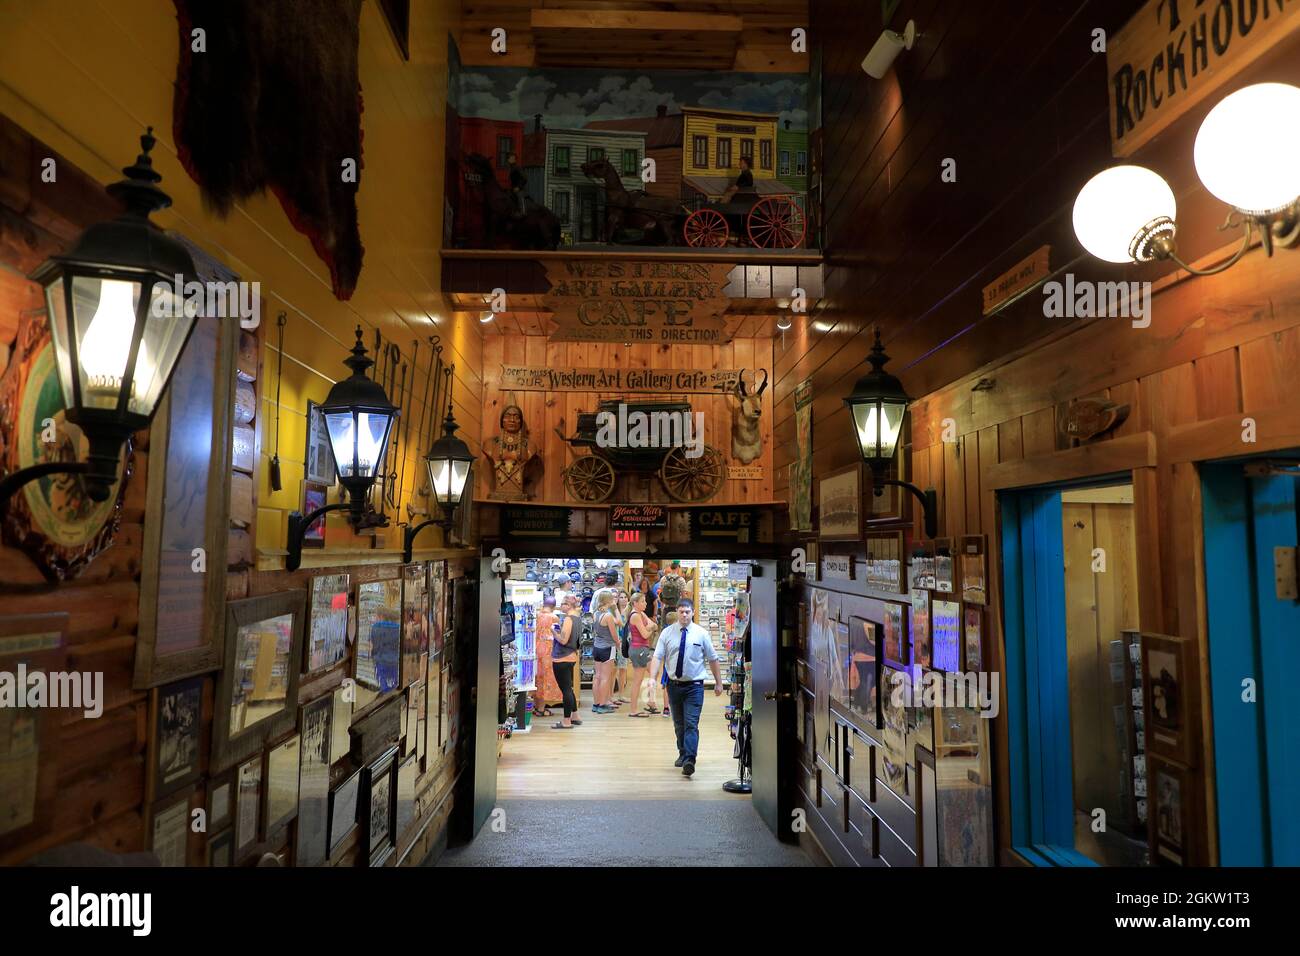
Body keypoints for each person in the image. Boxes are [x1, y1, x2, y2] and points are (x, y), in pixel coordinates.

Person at [651, 599, 723, 776]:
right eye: (681, 611)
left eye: (687, 612)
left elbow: (713, 659)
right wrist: (652, 678)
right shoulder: (667, 633)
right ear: (677, 612)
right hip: (674, 686)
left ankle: (690, 759)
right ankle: (682, 753)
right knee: (679, 724)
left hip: (694, 687)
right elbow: (657, 656)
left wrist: (718, 682)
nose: (684, 615)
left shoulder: (701, 634)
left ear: (693, 612)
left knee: (691, 723)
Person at [549, 595, 583, 729]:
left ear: (569, 605)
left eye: (563, 603)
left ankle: (566, 721)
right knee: (569, 688)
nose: (561, 605)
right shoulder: (578, 618)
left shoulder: (569, 619)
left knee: (566, 690)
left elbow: (563, 640)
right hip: (572, 656)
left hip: (562, 657)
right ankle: (575, 715)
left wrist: (554, 632)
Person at [625, 592, 659, 717]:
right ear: (635, 603)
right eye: (643, 601)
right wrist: (650, 628)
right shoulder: (635, 616)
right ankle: (633, 710)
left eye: (645, 601)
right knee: (637, 681)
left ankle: (651, 701)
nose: (645, 603)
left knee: (655, 673)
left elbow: (654, 625)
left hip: (642, 649)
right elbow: (646, 633)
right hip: (638, 650)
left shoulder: (641, 613)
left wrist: (650, 627)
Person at [590, 592, 623, 713]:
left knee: (597, 676)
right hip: (608, 648)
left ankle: (596, 703)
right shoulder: (608, 616)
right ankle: (602, 705)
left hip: (597, 647)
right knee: (605, 677)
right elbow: (616, 631)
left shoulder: (595, 613)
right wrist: (618, 644)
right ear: (609, 601)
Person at [532, 597, 562, 718]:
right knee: (546, 678)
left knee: (536, 677)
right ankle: (541, 708)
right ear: (554, 606)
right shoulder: (554, 618)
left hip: (534, 648)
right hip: (548, 651)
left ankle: (535, 705)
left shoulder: (536, 615)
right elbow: (558, 634)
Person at [506, 152, 527, 216]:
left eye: (513, 158)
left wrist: (519, 187)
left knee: (520, 196)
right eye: (511, 158)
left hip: (519, 189)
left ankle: (523, 211)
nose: (512, 159)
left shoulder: (518, 168)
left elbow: (524, 178)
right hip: (512, 189)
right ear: (508, 160)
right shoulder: (510, 169)